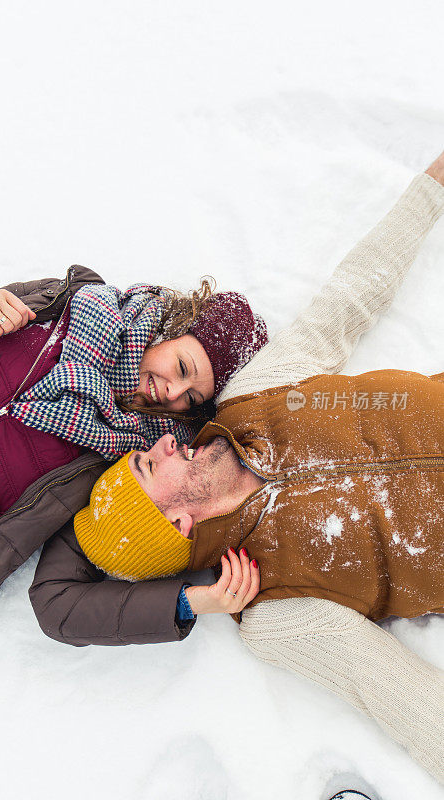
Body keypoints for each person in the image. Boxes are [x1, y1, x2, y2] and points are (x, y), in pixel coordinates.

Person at [29, 152, 444, 785]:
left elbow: (349, 301)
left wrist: (429, 190)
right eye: (148, 464)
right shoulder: (270, 607)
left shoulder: (253, 396)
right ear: (173, 521)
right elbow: (395, 692)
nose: (165, 443)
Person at [0, 272, 267, 640]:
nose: (173, 391)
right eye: (181, 367)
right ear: (171, 330)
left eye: (191, 398)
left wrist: (188, 602)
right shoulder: (72, 302)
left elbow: (58, 600)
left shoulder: (127, 461)